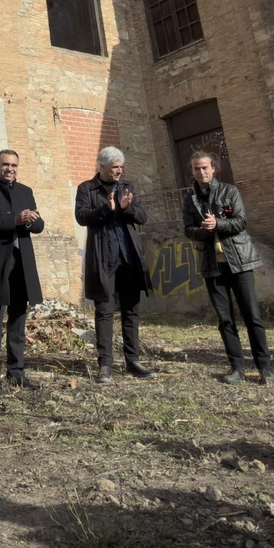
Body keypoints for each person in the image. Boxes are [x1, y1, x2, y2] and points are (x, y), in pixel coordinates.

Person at [180, 151, 269, 385]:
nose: (201, 172)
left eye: (205, 168)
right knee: (225, 319)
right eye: (197, 169)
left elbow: (240, 221)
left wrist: (218, 223)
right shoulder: (190, 199)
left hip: (239, 262)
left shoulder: (230, 191)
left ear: (213, 168)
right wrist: (204, 230)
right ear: (192, 172)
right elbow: (188, 230)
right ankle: (236, 368)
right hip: (212, 265)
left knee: (252, 317)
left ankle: (265, 368)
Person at [75, 147, 156, 384]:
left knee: (131, 310)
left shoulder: (127, 187)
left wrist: (125, 207)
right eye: (114, 167)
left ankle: (133, 360)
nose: (119, 171)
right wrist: (105, 209)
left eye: (121, 167)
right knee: (105, 312)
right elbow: (81, 216)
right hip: (103, 258)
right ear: (101, 166)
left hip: (129, 258)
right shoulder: (86, 188)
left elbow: (142, 216)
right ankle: (105, 365)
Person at [0, 150, 45, 393]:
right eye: (5, 164)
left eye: (13, 165)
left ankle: (16, 371)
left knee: (18, 317)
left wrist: (32, 220)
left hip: (21, 262)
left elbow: (39, 225)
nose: (9, 169)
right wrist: (14, 220)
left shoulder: (26, 191)